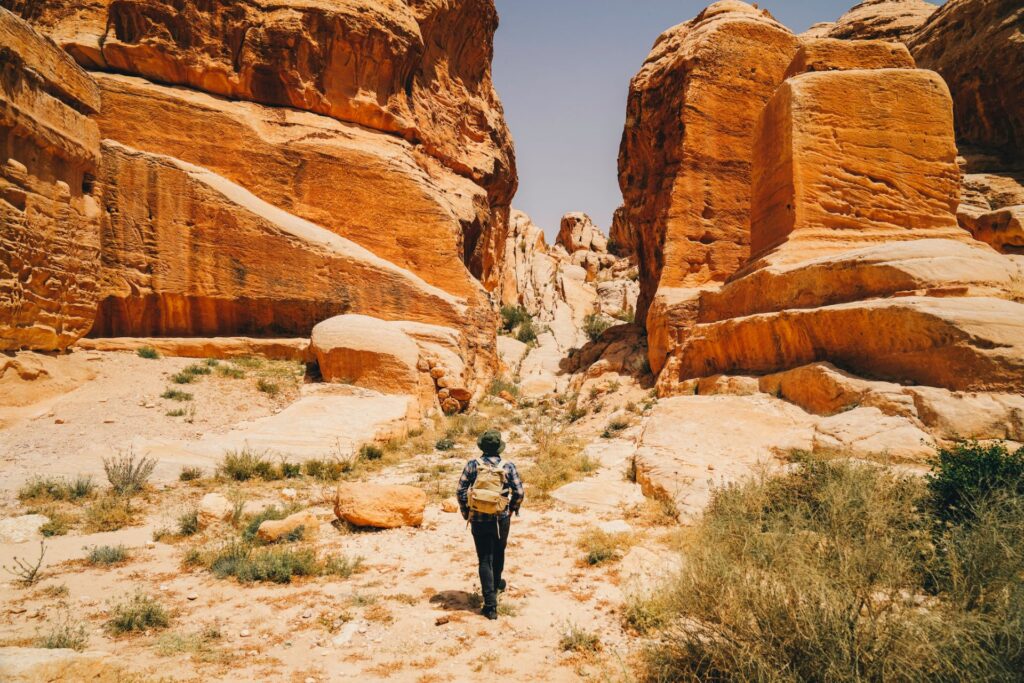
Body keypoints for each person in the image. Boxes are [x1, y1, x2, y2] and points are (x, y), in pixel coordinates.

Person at [456, 429, 524, 620]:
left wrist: (466, 512)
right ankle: (495, 586)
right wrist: (512, 509)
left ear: (482, 447)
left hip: (479, 519)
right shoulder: (508, 466)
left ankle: (490, 605)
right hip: (500, 519)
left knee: (485, 559)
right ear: (499, 448)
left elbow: (460, 491)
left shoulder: (473, 465)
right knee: (499, 552)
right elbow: (519, 492)